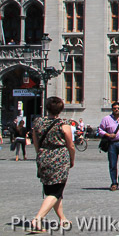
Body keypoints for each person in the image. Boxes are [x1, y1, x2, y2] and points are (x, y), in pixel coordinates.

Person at [30, 97, 75, 232]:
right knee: (56, 191)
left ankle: (62, 218)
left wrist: (40, 155)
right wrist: (72, 160)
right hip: (59, 157)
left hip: (43, 156)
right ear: (61, 109)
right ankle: (38, 218)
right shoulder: (63, 124)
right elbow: (71, 145)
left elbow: (35, 141)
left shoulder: (38, 122)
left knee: (51, 190)